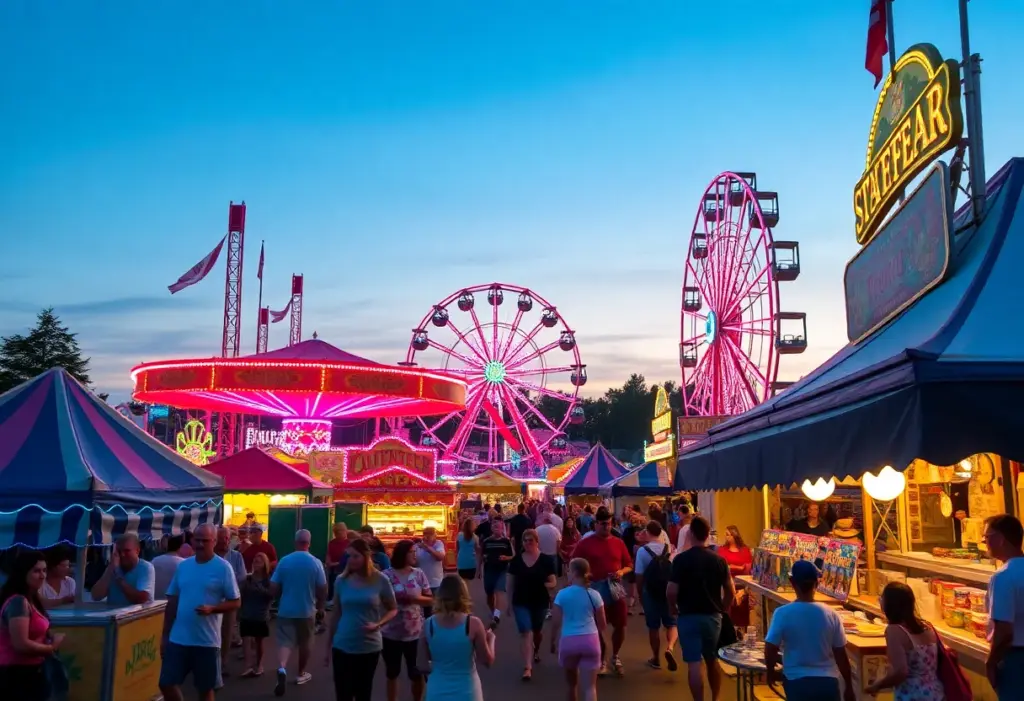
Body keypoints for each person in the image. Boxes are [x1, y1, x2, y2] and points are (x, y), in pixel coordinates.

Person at [158, 523, 241, 701]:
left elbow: (236, 601)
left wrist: (214, 609)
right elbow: (172, 601)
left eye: (205, 540)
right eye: (197, 540)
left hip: (206, 641)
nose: (200, 544)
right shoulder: (184, 566)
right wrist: (165, 635)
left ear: (214, 541)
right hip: (178, 639)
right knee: (166, 683)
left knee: (205, 690)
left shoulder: (223, 567)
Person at [764, 560, 855, 701]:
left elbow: (770, 647)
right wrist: (849, 687)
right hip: (828, 683)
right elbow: (841, 655)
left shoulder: (782, 613)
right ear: (817, 584)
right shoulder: (832, 614)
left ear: (792, 582)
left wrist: (770, 672)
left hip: (797, 683)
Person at [667, 515, 733, 701]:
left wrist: (673, 607)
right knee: (712, 659)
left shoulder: (680, 560)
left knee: (694, 663)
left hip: (688, 615)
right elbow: (730, 591)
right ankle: (716, 698)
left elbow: (671, 591)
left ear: (692, 534)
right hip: (712, 615)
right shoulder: (719, 561)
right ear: (707, 535)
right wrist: (724, 608)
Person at [326, 537, 397, 701]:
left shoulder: (380, 580)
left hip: (368, 646)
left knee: (363, 693)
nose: (351, 560)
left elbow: (393, 609)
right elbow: (336, 613)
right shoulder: (341, 581)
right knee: (343, 693)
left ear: (366, 557)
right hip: (342, 644)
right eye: (349, 556)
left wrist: (378, 624)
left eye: (355, 556)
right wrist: (327, 646)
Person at [572, 506, 632, 676]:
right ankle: (602, 658)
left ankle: (615, 655)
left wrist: (621, 572)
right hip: (595, 587)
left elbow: (629, 565)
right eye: (603, 524)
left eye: (609, 524)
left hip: (615, 586)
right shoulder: (585, 543)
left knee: (621, 623)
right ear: (596, 524)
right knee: (597, 626)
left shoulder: (618, 542)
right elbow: (574, 564)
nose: (606, 527)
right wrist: (585, 577)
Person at [0, 550, 65, 700]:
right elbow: (20, 644)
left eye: (44, 570)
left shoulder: (32, 599)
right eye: (36, 571)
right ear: (23, 572)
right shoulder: (18, 602)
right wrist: (51, 647)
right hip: (16, 676)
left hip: (32, 672)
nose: (42, 575)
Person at [419, 575, 495, 701]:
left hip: (437, 691)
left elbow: (422, 665)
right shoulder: (473, 624)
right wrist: (491, 640)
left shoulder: (428, 625)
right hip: (467, 691)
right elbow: (487, 661)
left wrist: (441, 667)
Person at [270, 528, 327, 694]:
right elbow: (322, 588)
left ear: (295, 542)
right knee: (305, 643)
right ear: (309, 543)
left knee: (284, 642)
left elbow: (273, 586)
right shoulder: (315, 562)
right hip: (307, 610)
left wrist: (275, 598)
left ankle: (282, 668)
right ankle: (301, 673)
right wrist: (321, 607)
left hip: (286, 609)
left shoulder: (285, 561)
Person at [864, 581, 943, 699]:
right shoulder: (927, 626)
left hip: (913, 695)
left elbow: (900, 671)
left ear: (889, 605)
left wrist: (878, 685)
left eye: (882, 598)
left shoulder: (894, 631)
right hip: (936, 693)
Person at [381, 540, 432, 701]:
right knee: (392, 672)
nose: (415, 555)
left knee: (416, 673)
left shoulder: (418, 574)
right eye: (412, 552)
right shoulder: (386, 576)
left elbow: (430, 599)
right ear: (403, 554)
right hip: (390, 632)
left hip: (415, 632)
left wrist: (416, 599)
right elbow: (377, 600)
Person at [552, 558, 606, 701]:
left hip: (569, 641)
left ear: (574, 573)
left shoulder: (562, 594)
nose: (567, 573)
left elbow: (555, 622)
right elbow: (603, 624)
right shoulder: (594, 594)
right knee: (590, 688)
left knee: (571, 685)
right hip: (590, 640)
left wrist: (553, 641)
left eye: (569, 570)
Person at [507, 528, 557, 681]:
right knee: (526, 632)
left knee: (536, 631)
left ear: (537, 541)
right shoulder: (516, 561)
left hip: (540, 600)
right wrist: (508, 604)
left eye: (531, 540)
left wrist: (544, 585)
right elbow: (510, 584)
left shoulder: (546, 560)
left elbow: (553, 581)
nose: (528, 543)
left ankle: (536, 650)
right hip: (520, 601)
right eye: (525, 540)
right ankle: (527, 667)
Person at [985, 513, 1024, 695]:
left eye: (987, 537)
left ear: (1000, 539)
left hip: (1015, 659)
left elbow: (1004, 631)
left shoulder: (1002, 577)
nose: (985, 543)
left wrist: (991, 662)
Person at [635, 520, 678, 671]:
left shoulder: (642, 551)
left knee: (653, 627)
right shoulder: (670, 549)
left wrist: (640, 593)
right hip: (667, 590)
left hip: (650, 591)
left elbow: (639, 576)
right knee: (671, 623)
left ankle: (656, 658)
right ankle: (670, 647)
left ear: (647, 532)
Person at [90, 533, 155, 606]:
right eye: (119, 551)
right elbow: (96, 596)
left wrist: (119, 578)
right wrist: (110, 569)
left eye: (127, 551)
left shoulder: (145, 568)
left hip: (137, 616)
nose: (122, 555)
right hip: (114, 615)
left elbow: (141, 599)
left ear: (137, 551)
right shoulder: (113, 567)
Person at [215, 526, 247, 673]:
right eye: (222, 539)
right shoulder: (211, 556)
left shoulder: (236, 556)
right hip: (212, 600)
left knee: (227, 632)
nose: (225, 541)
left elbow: (242, 576)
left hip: (229, 600)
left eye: (227, 538)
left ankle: (223, 662)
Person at [238, 552, 274, 678]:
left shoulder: (268, 580)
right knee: (246, 640)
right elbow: (240, 594)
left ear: (265, 564)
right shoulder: (247, 579)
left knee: (259, 642)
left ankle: (259, 665)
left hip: (260, 615)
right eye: (255, 561)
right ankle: (247, 666)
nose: (256, 563)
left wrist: (261, 590)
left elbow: (271, 596)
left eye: (259, 561)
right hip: (247, 613)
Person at [480, 518, 514, 627]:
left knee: (499, 591)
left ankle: (496, 616)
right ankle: (493, 611)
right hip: (489, 570)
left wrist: (506, 557)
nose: (496, 529)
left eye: (498, 527)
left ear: (501, 529)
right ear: (491, 529)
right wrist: (478, 570)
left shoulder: (506, 541)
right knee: (489, 594)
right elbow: (481, 555)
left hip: (501, 570)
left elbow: (513, 555)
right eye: (494, 527)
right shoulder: (486, 541)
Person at [718, 525, 753, 630]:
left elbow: (748, 567)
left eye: (728, 535)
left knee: (742, 607)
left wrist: (734, 567)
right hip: (728, 583)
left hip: (743, 583)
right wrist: (738, 567)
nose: (726, 537)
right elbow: (722, 567)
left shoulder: (744, 550)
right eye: (726, 535)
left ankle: (742, 629)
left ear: (734, 536)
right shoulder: (722, 550)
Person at [414, 527, 446, 618]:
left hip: (436, 582)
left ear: (435, 535)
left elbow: (440, 557)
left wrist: (428, 548)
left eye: (429, 534)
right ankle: (429, 626)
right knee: (427, 608)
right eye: (424, 534)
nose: (426, 536)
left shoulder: (438, 544)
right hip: (422, 583)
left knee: (436, 607)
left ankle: (437, 627)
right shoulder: (418, 546)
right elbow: (414, 562)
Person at [153, 535, 187, 601]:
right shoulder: (184, 564)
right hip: (175, 605)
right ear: (181, 546)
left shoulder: (154, 561)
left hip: (156, 605)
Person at [326, 524, 350, 604]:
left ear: (345, 531)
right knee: (333, 585)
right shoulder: (332, 543)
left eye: (340, 531)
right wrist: (331, 564)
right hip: (334, 571)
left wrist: (336, 563)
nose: (338, 534)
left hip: (345, 570)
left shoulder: (349, 543)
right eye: (336, 532)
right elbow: (328, 558)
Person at [535, 513, 562, 578]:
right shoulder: (555, 530)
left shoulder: (537, 529)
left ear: (543, 520)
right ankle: (554, 578)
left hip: (541, 553)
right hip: (553, 553)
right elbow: (559, 542)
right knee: (553, 569)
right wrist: (558, 552)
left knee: (542, 569)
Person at [560, 519, 582, 584]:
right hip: (566, 557)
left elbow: (580, 542)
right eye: (568, 522)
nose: (569, 523)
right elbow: (559, 547)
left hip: (575, 556)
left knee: (577, 574)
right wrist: (564, 554)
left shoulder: (576, 532)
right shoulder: (562, 533)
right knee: (569, 575)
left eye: (571, 521)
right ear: (565, 523)